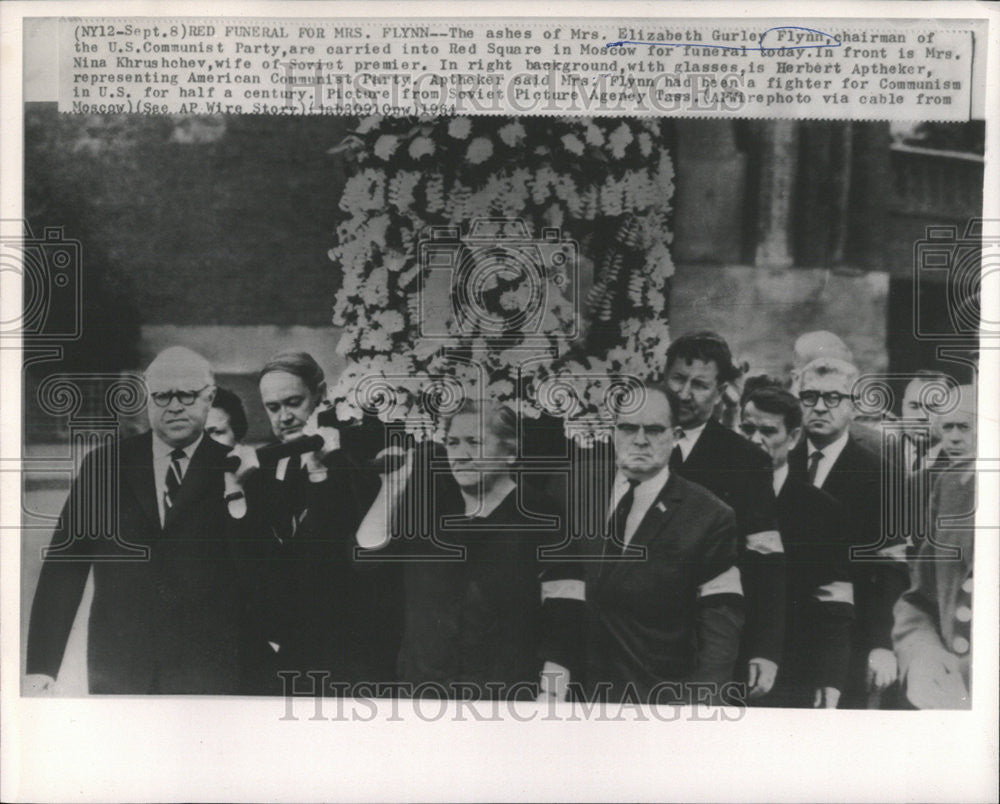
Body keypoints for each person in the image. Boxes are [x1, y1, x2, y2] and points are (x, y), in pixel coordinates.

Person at [25, 347, 252, 694]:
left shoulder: (236, 467)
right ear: (147, 400)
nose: (173, 406)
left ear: (208, 398)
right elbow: (64, 565)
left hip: (209, 672)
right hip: (121, 669)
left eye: (186, 395)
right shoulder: (105, 466)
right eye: (161, 396)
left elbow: (255, 569)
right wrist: (41, 667)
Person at [356, 399, 583, 702]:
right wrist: (392, 487)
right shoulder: (429, 510)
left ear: (510, 452)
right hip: (425, 695)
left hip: (505, 701)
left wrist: (551, 696)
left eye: (474, 442)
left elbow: (565, 612)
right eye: (452, 443)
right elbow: (366, 558)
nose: (460, 455)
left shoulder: (543, 513)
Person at [228, 351, 398, 694]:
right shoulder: (270, 468)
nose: (284, 416)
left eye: (293, 402)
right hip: (297, 651)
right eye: (272, 408)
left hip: (354, 652)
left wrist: (327, 467)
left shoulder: (355, 454)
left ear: (320, 394)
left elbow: (353, 549)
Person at [585, 387, 744, 704]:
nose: (640, 440)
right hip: (572, 696)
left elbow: (719, 623)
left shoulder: (708, 515)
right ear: (612, 432)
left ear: (676, 436)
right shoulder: (575, 488)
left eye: (654, 430)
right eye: (628, 428)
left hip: (654, 698)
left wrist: (698, 707)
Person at [663, 332, 785, 701]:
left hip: (706, 633)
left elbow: (766, 559)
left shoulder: (745, 460)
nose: (684, 394)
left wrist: (766, 647)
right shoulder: (635, 441)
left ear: (721, 392)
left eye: (699, 385)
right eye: (677, 379)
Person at [788, 357, 909, 708]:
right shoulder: (780, 463)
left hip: (849, 637)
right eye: (809, 396)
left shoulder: (880, 474)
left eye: (834, 398)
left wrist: (881, 643)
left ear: (853, 406)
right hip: (785, 632)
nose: (820, 407)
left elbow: (890, 565)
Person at [739, 382, 855, 707]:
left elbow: (834, 600)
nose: (755, 439)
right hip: (724, 665)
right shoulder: (719, 497)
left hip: (792, 671)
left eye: (767, 431)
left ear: (792, 438)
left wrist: (830, 677)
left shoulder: (822, 510)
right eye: (747, 429)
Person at [893, 385, 976, 709]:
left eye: (965, 426)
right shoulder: (952, 485)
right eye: (947, 427)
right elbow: (919, 600)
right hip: (946, 692)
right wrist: (923, 656)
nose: (953, 438)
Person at [788, 330, 881, 454]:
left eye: (842, 373)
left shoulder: (876, 443)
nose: (820, 407)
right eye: (820, 371)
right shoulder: (775, 434)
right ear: (796, 379)